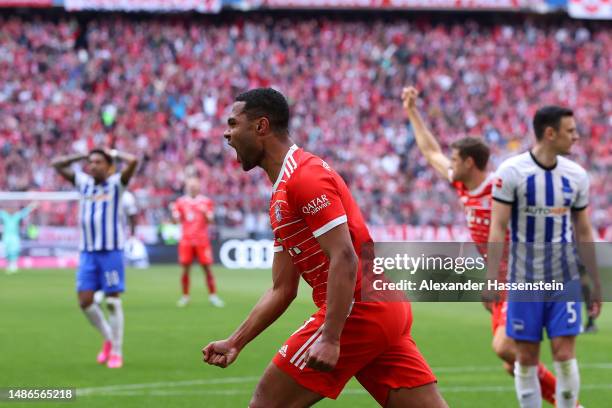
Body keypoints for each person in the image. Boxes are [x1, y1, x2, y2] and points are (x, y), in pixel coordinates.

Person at [204, 88, 447, 408]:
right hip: (380, 308)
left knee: (266, 404)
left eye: (233, 123)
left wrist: (331, 337)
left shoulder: (305, 177)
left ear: (261, 127)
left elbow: (344, 255)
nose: (226, 133)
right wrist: (236, 341)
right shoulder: (280, 195)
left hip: (360, 310)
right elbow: (282, 289)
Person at [401, 86, 560, 405]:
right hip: (500, 278)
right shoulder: (462, 184)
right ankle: (561, 399)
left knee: (505, 348)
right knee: (510, 363)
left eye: (456, 159)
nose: (451, 164)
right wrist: (412, 112)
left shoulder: (501, 187)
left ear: (470, 163)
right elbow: (431, 152)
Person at [487, 106, 601, 408]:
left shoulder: (576, 175)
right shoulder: (511, 172)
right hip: (524, 281)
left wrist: (595, 284)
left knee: (564, 355)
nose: (576, 136)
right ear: (550, 133)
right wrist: (490, 280)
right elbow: (497, 228)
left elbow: (584, 231)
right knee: (526, 357)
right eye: (570, 130)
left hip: (565, 280)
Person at [52, 148, 138, 369]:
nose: (93, 165)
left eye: (98, 162)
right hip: (88, 252)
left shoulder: (117, 184)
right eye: (90, 162)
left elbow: (134, 160)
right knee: (85, 302)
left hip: (110, 251)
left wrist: (116, 154)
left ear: (108, 166)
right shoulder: (83, 182)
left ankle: (117, 351)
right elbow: (57, 164)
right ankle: (109, 337)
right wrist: (78, 157)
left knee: (111, 301)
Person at [170, 176, 224, 308]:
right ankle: (185, 296)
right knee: (185, 270)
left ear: (199, 187)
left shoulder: (206, 202)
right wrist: (173, 215)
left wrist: (206, 214)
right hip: (186, 240)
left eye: (194, 185)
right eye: (190, 185)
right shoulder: (180, 202)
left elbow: (211, 221)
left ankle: (213, 296)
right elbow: (175, 222)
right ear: (186, 187)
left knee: (207, 269)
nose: (192, 187)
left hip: (202, 240)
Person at [0, 202, 37, 273]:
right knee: (7, 251)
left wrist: (31, 206)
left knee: (14, 250)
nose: (11, 209)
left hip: (14, 236)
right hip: (6, 236)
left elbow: (24, 212)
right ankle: (9, 264)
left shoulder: (17, 216)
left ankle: (13, 264)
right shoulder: (4, 215)